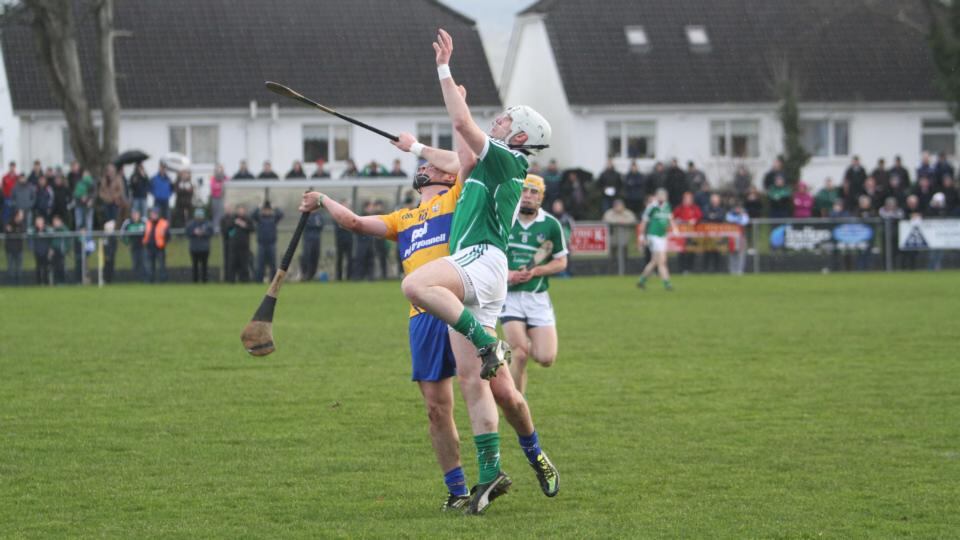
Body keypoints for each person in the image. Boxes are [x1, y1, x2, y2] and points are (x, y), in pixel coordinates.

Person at [302, 158, 554, 512]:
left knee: (504, 394)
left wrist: (418, 145)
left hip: (460, 306)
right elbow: (355, 222)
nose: (424, 166)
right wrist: (322, 200)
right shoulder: (402, 218)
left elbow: (465, 158)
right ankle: (457, 491)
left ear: (448, 173)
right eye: (422, 163)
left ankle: (535, 453)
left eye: (430, 164)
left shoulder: (458, 194)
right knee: (436, 408)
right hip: (422, 316)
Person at [389, 29, 558, 514]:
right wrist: (417, 146)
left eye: (504, 120)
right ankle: (499, 470)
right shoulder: (488, 163)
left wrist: (445, 69)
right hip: (480, 269)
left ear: (519, 136)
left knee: (415, 284)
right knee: (480, 385)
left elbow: (464, 126)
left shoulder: (508, 159)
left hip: (480, 259)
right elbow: (458, 155)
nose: (496, 120)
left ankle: (488, 343)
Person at [501, 175, 568, 394]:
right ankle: (516, 404)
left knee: (546, 358)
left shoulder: (551, 225)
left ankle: (504, 350)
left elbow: (561, 262)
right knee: (520, 354)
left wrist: (536, 271)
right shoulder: (504, 219)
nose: (528, 196)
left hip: (538, 297)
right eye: (524, 190)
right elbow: (488, 257)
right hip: (509, 297)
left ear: (541, 197)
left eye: (534, 192)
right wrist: (509, 274)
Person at [637, 188, 678, 291]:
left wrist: (674, 228)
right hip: (653, 236)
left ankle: (642, 280)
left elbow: (670, 218)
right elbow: (644, 222)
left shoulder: (667, 206)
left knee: (654, 261)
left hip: (662, 236)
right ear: (656, 196)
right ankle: (667, 284)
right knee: (662, 260)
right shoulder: (651, 207)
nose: (662, 197)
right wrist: (641, 236)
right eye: (660, 195)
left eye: (664, 195)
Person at [252, 201, 283, 282]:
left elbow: (281, 214)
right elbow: (252, 215)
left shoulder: (273, 218)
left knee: (273, 263)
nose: (266, 211)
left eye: (268, 210)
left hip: (271, 244)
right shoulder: (259, 218)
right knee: (260, 263)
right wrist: (258, 207)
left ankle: (273, 280)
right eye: (265, 210)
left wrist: (275, 207)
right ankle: (259, 280)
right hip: (261, 244)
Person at [601, 199, 637, 270]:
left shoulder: (628, 213)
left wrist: (623, 222)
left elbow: (632, 220)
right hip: (613, 237)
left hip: (624, 237)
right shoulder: (609, 213)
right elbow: (605, 220)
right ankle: (611, 268)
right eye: (616, 206)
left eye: (620, 206)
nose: (618, 207)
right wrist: (617, 222)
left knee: (624, 254)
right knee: (612, 254)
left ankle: (625, 268)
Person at [672, 191, 701, 273]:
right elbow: (673, 217)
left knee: (691, 252)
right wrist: (678, 221)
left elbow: (699, 216)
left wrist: (695, 220)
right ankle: (681, 269)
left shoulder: (695, 208)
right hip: (681, 235)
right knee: (681, 252)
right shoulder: (679, 208)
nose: (688, 200)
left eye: (690, 198)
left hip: (692, 234)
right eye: (686, 198)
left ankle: (690, 269)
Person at [228, 205, 255, 282]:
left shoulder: (248, 219)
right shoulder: (233, 219)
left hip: (244, 246)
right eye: (239, 210)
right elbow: (227, 228)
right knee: (233, 263)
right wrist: (235, 222)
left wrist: (244, 225)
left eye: (242, 210)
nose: (241, 211)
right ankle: (231, 280)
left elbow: (252, 229)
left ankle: (244, 280)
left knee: (244, 264)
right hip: (234, 246)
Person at [143, 207, 170, 283]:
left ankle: (163, 280)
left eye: (155, 214)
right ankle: (150, 280)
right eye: (152, 214)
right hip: (149, 247)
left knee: (161, 265)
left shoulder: (164, 223)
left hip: (159, 247)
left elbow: (168, 236)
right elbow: (144, 234)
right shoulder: (147, 223)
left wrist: (164, 243)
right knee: (150, 265)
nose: (154, 215)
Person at [187, 208, 214, 283]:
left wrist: (203, 233)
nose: (199, 217)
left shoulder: (208, 224)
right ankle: (195, 281)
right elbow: (188, 233)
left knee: (204, 266)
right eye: (198, 215)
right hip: (194, 248)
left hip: (204, 248)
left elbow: (211, 233)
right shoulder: (191, 224)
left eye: (200, 215)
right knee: (194, 265)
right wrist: (194, 232)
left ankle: (204, 281)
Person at [701, 193, 726, 273]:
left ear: (719, 201)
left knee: (717, 252)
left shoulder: (721, 210)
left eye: (716, 200)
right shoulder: (706, 208)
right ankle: (705, 270)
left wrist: (712, 217)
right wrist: (714, 217)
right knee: (707, 252)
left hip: (717, 234)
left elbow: (720, 218)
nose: (715, 202)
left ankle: (717, 269)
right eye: (713, 200)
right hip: (708, 234)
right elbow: (705, 217)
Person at [121, 209, 147, 281]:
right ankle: (136, 279)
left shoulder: (144, 221)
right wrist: (127, 243)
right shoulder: (128, 222)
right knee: (135, 262)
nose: (135, 216)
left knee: (143, 262)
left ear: (139, 214)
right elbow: (122, 234)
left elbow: (149, 232)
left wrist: (146, 242)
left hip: (143, 246)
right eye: (133, 214)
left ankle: (144, 278)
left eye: (136, 214)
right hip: (133, 246)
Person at [725, 202, 750, 275]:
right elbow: (730, 220)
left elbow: (744, 222)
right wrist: (738, 218)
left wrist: (740, 216)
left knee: (741, 254)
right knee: (732, 253)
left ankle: (740, 270)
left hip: (741, 236)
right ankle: (732, 270)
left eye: (739, 208)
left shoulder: (744, 214)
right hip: (732, 237)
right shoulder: (730, 214)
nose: (738, 210)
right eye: (736, 208)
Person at [300, 211, 324, 281]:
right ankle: (305, 274)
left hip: (317, 239)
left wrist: (315, 225)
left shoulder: (319, 215)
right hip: (308, 239)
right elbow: (308, 225)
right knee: (307, 256)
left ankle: (312, 275)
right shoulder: (306, 214)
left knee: (315, 257)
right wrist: (315, 225)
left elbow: (321, 225)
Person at [4, 209, 25, 284]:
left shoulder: (22, 224)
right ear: (17, 215)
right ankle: (11, 283)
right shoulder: (10, 222)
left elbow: (22, 231)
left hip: (19, 248)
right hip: (10, 249)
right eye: (21, 215)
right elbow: (7, 230)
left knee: (19, 267)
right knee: (11, 267)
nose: (23, 216)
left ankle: (19, 283)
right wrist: (14, 231)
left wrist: (13, 230)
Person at [333, 203, 354, 281]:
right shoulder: (337, 217)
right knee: (340, 259)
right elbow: (339, 228)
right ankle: (339, 277)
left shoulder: (351, 216)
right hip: (340, 241)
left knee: (350, 258)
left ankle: (349, 276)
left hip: (349, 240)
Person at [31, 215, 52, 285]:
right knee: (38, 267)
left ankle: (46, 282)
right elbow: (29, 234)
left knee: (46, 267)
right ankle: (39, 282)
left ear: (43, 222)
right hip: (37, 251)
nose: (39, 223)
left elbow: (50, 240)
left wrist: (50, 249)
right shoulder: (34, 230)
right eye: (38, 221)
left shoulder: (47, 230)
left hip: (45, 251)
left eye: (40, 221)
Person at [49, 215, 69, 284]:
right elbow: (51, 241)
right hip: (54, 250)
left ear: (60, 221)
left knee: (61, 266)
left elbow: (68, 240)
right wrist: (51, 248)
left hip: (61, 250)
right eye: (53, 222)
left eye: (56, 221)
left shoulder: (64, 229)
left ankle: (62, 281)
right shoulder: (53, 230)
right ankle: (56, 281)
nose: (54, 223)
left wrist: (66, 249)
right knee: (55, 266)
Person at [209, 164, 228, 232]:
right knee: (216, 213)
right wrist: (220, 186)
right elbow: (213, 187)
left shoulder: (226, 178)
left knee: (222, 213)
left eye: (221, 169)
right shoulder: (213, 178)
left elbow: (227, 186)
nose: (219, 171)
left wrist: (219, 186)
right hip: (215, 198)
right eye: (218, 169)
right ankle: (216, 228)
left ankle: (222, 228)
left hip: (223, 198)